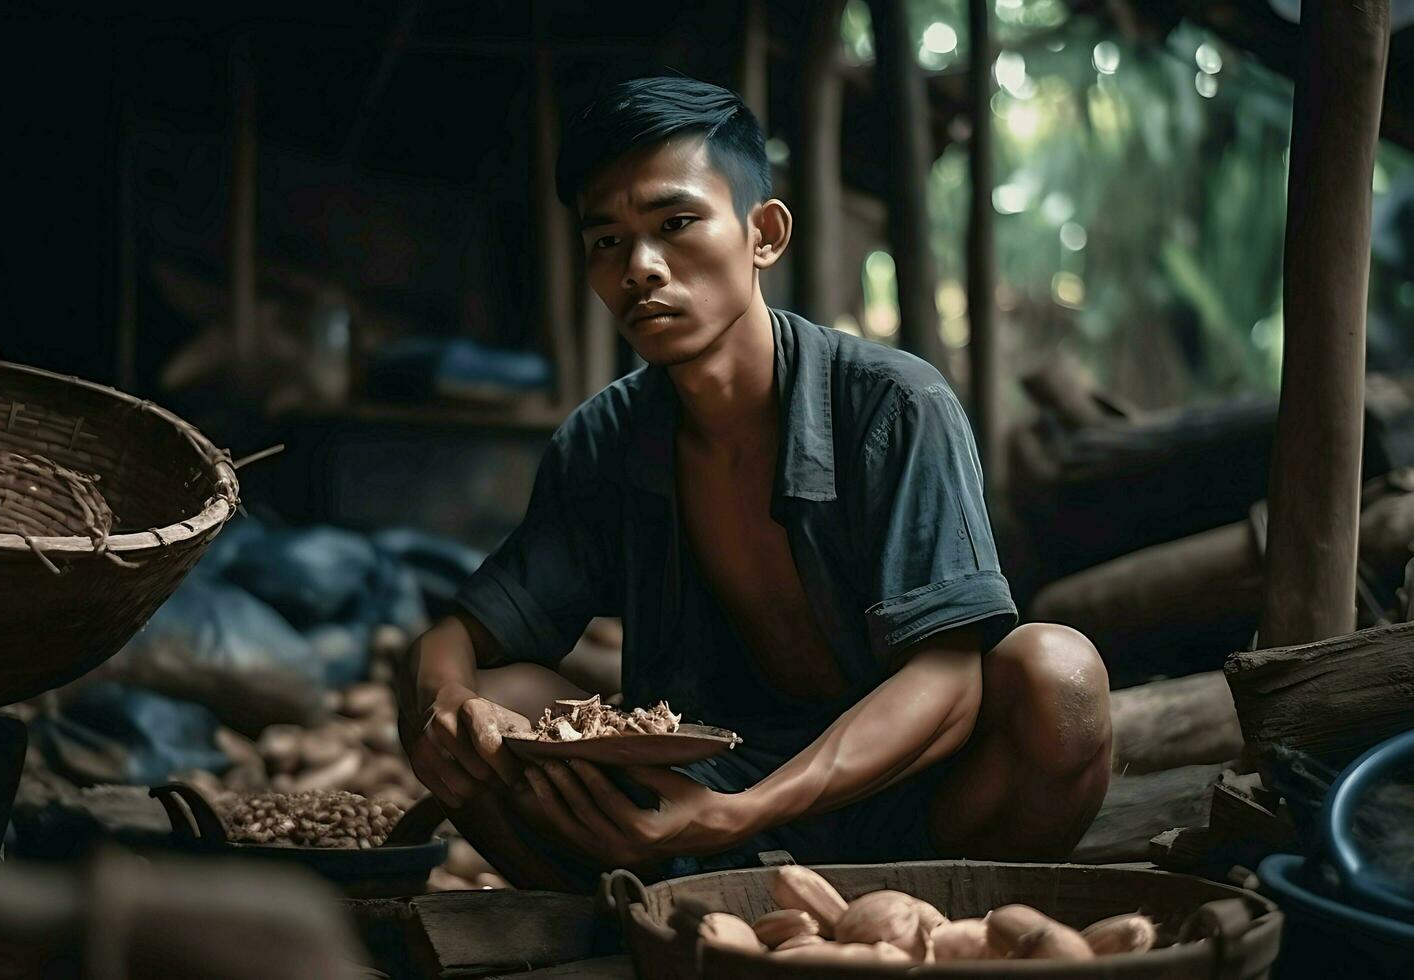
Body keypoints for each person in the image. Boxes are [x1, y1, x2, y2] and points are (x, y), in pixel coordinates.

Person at [397, 76, 1111, 890]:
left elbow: (948, 678)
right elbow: (457, 638)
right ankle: (631, 911)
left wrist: (753, 811)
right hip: (687, 800)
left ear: (763, 234)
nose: (642, 268)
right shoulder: (601, 442)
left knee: (1059, 677)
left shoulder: (893, 406)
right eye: (608, 241)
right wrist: (449, 701)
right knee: (469, 696)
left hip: (912, 799)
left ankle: (933, 917)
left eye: (675, 225)